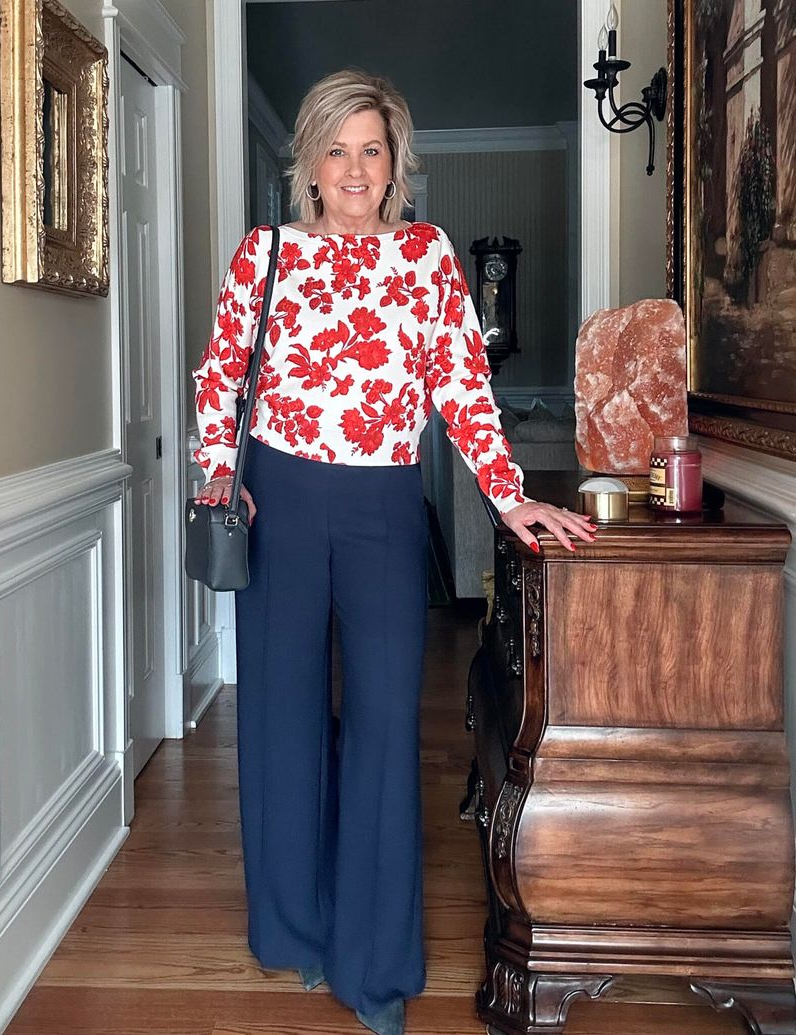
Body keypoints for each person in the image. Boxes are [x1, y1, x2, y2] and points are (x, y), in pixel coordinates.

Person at [191, 68, 597, 1035]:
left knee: (382, 724)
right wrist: (219, 474)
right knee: (281, 715)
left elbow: (461, 384)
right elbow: (220, 375)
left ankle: (373, 965)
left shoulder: (425, 256)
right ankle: (292, 927)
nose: (355, 167)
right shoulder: (267, 253)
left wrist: (510, 497)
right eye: (337, 149)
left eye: (371, 148)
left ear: (395, 163)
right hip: (279, 498)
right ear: (309, 164)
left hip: (382, 506)